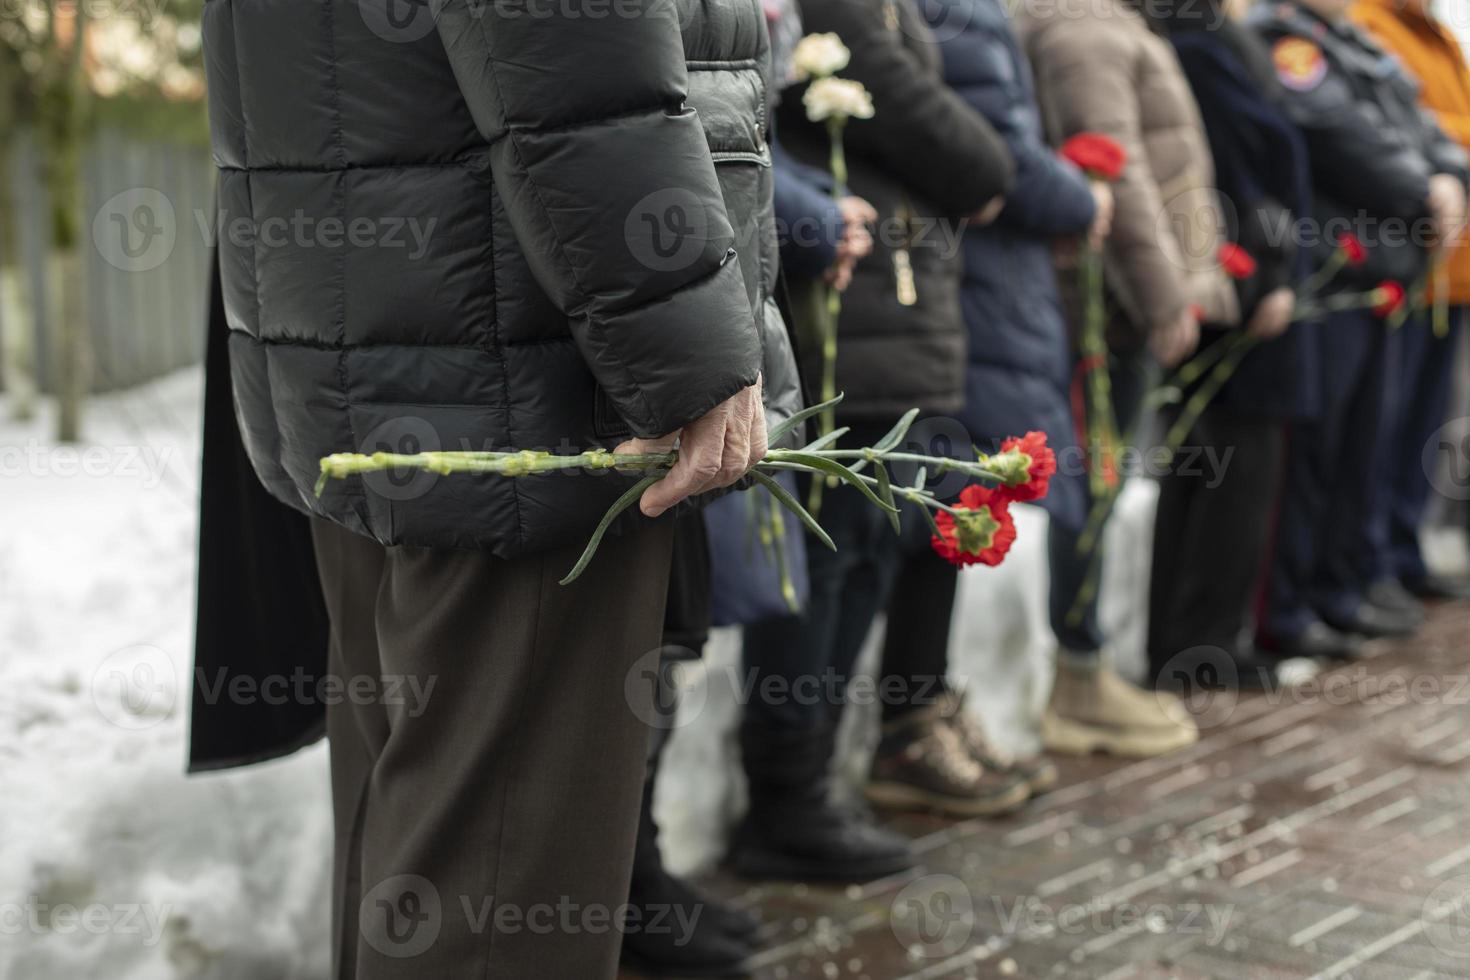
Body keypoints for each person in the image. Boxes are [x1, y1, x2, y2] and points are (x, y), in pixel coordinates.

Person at [188, 0, 802, 976]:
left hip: (400, 362)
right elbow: (573, 61)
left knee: (416, 862)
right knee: (502, 896)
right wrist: (687, 348)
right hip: (524, 384)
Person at [617, 1, 877, 971]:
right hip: (673, 323)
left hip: (718, 308)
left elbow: (739, 130)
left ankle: (636, 871)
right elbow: (654, 115)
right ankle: (623, 878)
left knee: (671, 621)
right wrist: (807, 216)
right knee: (642, 625)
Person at [732, 0, 1015, 881]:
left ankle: (809, 791)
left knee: (865, 550)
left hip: (892, 309)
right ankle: (785, 800)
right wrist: (988, 164)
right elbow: (934, 130)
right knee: (825, 556)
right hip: (849, 312)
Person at [862, 0, 1111, 817]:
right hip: (963, 290)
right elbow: (985, 154)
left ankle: (923, 705)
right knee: (934, 503)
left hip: (971, 293)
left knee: (950, 506)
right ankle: (907, 723)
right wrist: (1077, 198)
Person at [1015, 0, 1238, 756]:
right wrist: (1165, 291)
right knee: (1093, 479)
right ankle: (1078, 679)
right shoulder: (1082, 23)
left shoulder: (1107, 20)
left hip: (1116, 299)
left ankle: (1086, 672)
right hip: (1106, 306)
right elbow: (1114, 159)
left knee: (1101, 482)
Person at [1251, 0, 1469, 658]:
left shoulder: (1353, 41)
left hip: (1381, 273)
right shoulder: (1286, 39)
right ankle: (1293, 606)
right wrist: (1423, 190)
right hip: (1332, 273)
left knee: (1360, 446)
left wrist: (1451, 177)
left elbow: (1423, 126)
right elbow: (1339, 130)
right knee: (1315, 451)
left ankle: (1338, 591)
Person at [1144, 0, 1314, 691]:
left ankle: (1202, 641)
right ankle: (1196, 646)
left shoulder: (1209, 30)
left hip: (1240, 276)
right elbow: (1236, 161)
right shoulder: (1198, 37)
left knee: (1226, 466)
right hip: (1238, 285)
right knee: (1228, 468)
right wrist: (1268, 274)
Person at [1351, 0, 1470, 602]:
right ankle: (1373, 561)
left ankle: (1403, 547)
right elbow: (1409, 129)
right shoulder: (1371, 24)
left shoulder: (1438, 36)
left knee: (1426, 423)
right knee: (1387, 426)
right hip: (1411, 270)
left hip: (1454, 273)